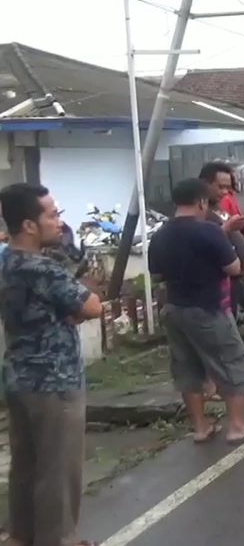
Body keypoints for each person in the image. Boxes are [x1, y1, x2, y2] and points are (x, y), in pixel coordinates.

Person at [0, 183, 103, 546]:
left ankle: (20, 536)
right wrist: (87, 292)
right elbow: (92, 306)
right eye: (52, 214)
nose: (59, 222)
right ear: (29, 225)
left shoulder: (5, 260)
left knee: (26, 466)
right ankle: (60, 539)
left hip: (18, 376)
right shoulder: (42, 269)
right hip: (55, 381)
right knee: (58, 470)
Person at [149, 178, 244, 445]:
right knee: (231, 360)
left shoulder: (160, 235)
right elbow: (234, 268)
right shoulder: (208, 231)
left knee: (187, 368)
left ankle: (201, 427)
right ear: (202, 201)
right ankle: (237, 426)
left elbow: (156, 274)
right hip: (208, 306)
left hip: (174, 307)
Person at [199, 161, 244, 400]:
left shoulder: (220, 209)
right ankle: (213, 386)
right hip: (210, 286)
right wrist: (227, 228)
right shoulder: (201, 215)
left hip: (231, 279)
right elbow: (204, 243)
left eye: (228, 188)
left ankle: (220, 383)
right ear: (205, 184)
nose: (224, 192)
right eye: (220, 187)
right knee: (215, 340)